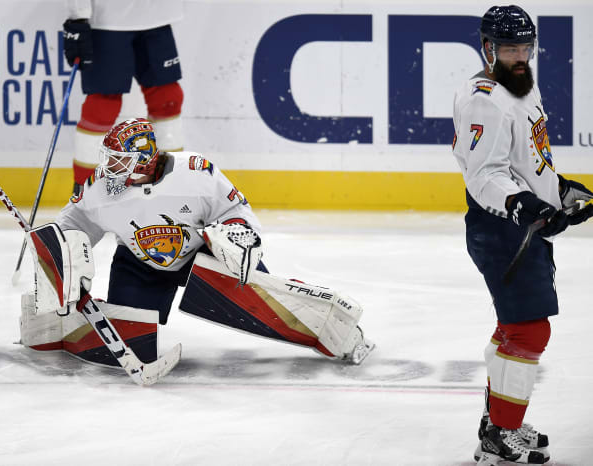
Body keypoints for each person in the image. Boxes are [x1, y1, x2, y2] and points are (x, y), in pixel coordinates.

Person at [19, 118, 373, 373]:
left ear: (143, 159)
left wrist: (235, 234)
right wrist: (60, 255)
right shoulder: (99, 189)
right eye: (108, 159)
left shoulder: (197, 172)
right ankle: (57, 327)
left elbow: (236, 209)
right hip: (140, 264)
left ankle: (334, 330)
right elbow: (71, 228)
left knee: (261, 302)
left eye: (119, 161)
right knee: (130, 336)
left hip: (201, 251)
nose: (109, 168)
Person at [452, 5, 593, 465]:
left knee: (515, 326)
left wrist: (558, 192)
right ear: (487, 47)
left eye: (524, 47)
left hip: (521, 226)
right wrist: (521, 204)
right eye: (508, 47)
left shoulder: (521, 87)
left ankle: (499, 423)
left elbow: (527, 158)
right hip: (501, 229)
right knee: (530, 329)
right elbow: (483, 174)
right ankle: (500, 435)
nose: (518, 55)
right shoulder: (484, 98)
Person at [62, 0, 185, 196]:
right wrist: (78, 14)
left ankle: (171, 184)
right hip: (108, 18)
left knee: (167, 99)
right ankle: (85, 191)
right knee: (102, 106)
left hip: (158, 14)